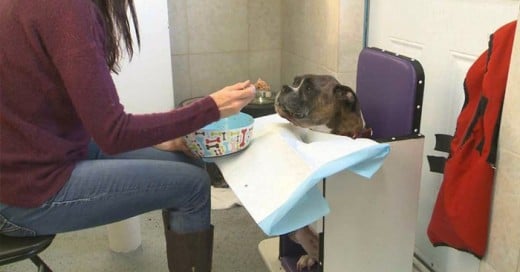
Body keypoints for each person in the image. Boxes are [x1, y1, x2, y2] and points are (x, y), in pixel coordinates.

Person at [0, 0, 255, 271]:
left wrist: (163, 138)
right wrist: (210, 108)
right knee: (192, 185)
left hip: (36, 156)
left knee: (187, 161)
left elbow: (92, 119)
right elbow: (113, 133)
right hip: (23, 195)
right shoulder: (67, 8)